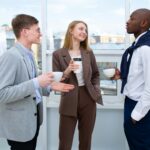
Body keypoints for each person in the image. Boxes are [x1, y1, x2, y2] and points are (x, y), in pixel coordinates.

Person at [0, 14, 74, 150]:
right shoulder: (11, 56)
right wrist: (36, 82)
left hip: (32, 121)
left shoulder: (29, 55)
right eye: (38, 30)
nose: (41, 33)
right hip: (19, 125)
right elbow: (2, 94)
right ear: (25, 32)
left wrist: (50, 86)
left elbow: (33, 87)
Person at [52, 20, 103, 150]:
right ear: (71, 30)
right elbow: (57, 82)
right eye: (80, 29)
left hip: (88, 98)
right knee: (64, 143)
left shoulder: (88, 52)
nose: (84, 32)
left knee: (86, 141)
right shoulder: (58, 54)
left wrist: (96, 90)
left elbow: (96, 74)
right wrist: (68, 71)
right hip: (69, 98)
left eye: (85, 30)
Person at [113, 8, 150, 150]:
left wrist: (136, 115)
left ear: (144, 22)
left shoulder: (146, 48)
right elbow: (139, 77)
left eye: (132, 18)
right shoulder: (137, 46)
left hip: (140, 108)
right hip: (131, 103)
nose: (127, 22)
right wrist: (122, 76)